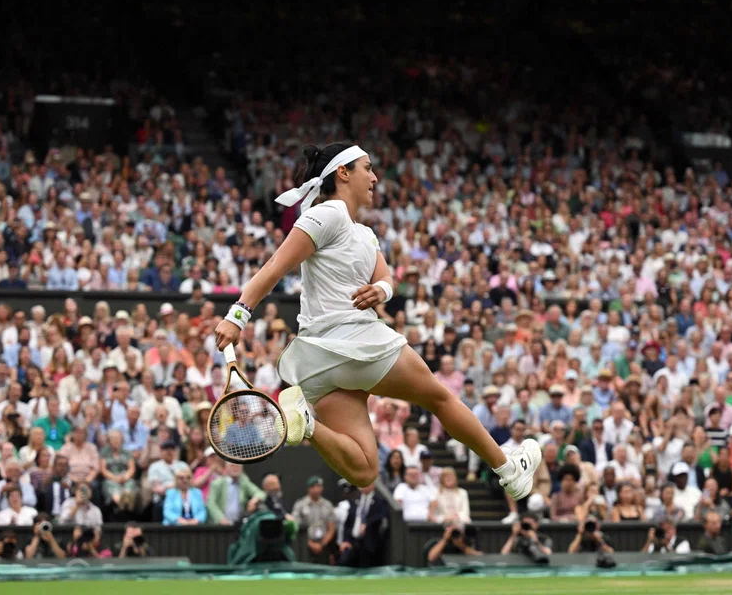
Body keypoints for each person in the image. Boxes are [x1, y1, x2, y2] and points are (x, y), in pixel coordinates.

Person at [212, 142, 539, 502]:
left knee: (365, 469)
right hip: (351, 340)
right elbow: (275, 267)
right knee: (440, 397)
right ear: (343, 173)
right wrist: (237, 316)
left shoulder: (364, 233)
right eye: (367, 168)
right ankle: (509, 470)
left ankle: (307, 425)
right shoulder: (327, 214)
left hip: (321, 363)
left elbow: (386, 279)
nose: (375, 177)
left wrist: (381, 291)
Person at [339, 483, 389, 568]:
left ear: (373, 485)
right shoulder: (354, 500)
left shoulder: (379, 501)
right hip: (353, 542)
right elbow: (348, 523)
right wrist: (345, 540)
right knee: (344, 562)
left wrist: (367, 524)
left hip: (369, 543)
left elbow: (381, 516)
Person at [292, 475, 338, 564]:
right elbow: (295, 526)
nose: (317, 489)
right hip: (305, 546)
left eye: (319, 486)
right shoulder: (300, 505)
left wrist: (322, 544)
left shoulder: (327, 505)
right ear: (309, 489)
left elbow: (331, 528)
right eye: (313, 487)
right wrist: (310, 544)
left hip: (324, 545)